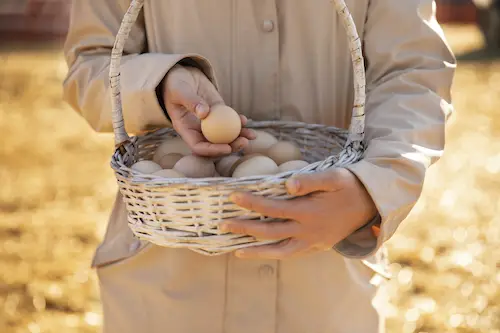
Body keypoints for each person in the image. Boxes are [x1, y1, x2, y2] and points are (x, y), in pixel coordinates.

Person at [62, 1, 455, 332]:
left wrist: (371, 188)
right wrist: (158, 83)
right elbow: (90, 63)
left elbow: (412, 71)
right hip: (168, 287)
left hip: (322, 287)